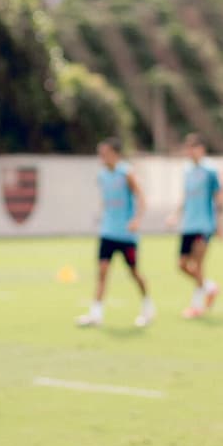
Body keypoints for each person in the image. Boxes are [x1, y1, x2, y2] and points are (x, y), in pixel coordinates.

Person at [78, 137, 154, 328]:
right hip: (107, 232)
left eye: (105, 153)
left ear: (115, 154)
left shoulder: (126, 173)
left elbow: (141, 198)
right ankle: (96, 314)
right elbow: (106, 200)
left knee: (134, 272)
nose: (101, 157)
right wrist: (101, 216)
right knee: (102, 272)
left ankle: (147, 306)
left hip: (126, 235)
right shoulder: (102, 176)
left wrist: (136, 220)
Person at [167, 134, 223, 319]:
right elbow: (186, 196)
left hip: (204, 225)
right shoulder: (186, 170)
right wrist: (175, 215)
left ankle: (196, 306)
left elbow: (218, 197)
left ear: (202, 149)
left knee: (198, 265)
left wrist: (220, 224)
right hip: (188, 225)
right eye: (188, 148)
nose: (190, 152)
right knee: (182, 265)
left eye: (194, 148)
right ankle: (209, 287)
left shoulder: (210, 171)